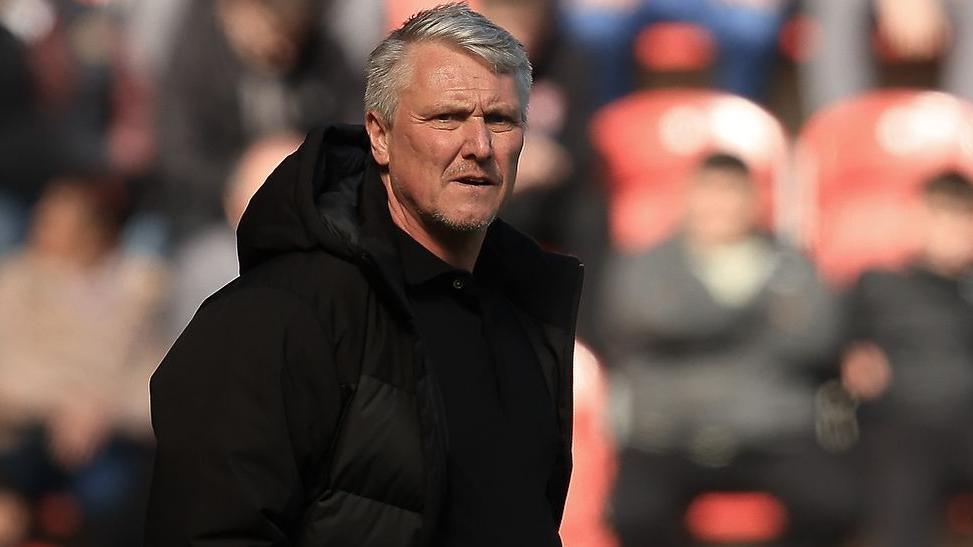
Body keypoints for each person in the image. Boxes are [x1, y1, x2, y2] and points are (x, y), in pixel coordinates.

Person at [145, 4, 584, 546]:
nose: (479, 147)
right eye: (446, 117)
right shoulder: (274, 319)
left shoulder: (527, 311)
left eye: (500, 120)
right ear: (378, 134)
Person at [599, 153, 858, 546]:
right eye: (710, 191)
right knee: (636, 513)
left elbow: (816, 337)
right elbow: (640, 319)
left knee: (832, 503)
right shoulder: (645, 264)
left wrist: (697, 323)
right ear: (688, 198)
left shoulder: (793, 264)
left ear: (754, 200)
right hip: (667, 436)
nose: (720, 205)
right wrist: (756, 314)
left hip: (772, 434)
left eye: (732, 193)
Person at [842, 171, 973, 547]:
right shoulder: (878, 284)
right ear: (919, 219)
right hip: (903, 426)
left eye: (963, 216)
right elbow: (833, 343)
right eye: (941, 214)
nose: (951, 228)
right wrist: (851, 357)